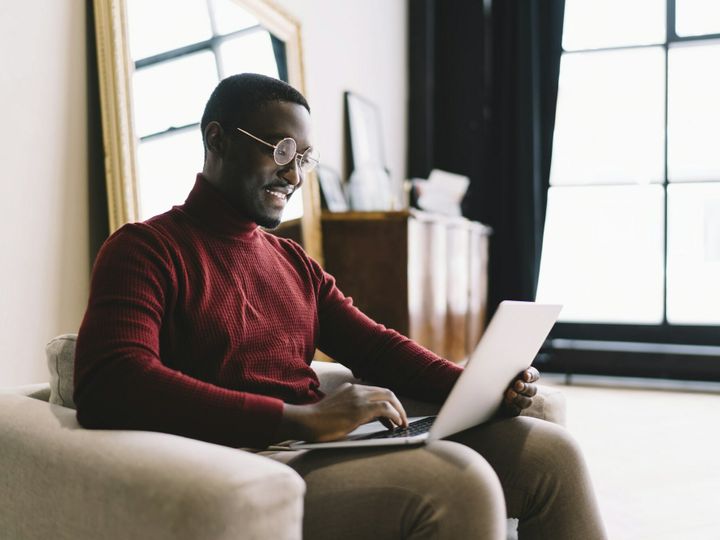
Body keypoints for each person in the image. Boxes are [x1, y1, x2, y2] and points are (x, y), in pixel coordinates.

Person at [74, 73, 606, 539]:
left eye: (303, 158)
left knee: (550, 455)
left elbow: (374, 345)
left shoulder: (292, 261)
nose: (295, 175)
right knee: (458, 487)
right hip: (242, 467)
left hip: (324, 449)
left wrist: (477, 389)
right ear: (217, 139)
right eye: (281, 151)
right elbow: (111, 382)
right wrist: (303, 419)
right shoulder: (145, 249)